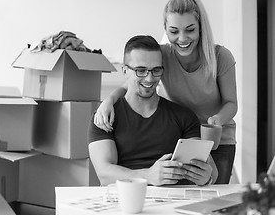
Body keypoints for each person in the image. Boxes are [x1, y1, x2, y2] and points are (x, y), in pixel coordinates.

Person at [94, 0, 237, 184]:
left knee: (213, 189)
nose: (182, 38)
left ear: (200, 27)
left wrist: (217, 120)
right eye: (173, 31)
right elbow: (132, 80)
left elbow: (231, 102)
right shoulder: (162, 56)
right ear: (165, 29)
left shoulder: (220, 57)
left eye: (190, 29)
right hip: (182, 134)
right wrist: (108, 101)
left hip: (215, 135)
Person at [88, 35, 217, 186]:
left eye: (156, 70)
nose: (149, 79)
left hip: (175, 203)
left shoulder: (184, 116)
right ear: (124, 71)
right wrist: (148, 175)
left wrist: (206, 177)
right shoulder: (105, 117)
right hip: (128, 201)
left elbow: (210, 170)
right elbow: (104, 174)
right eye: (141, 70)